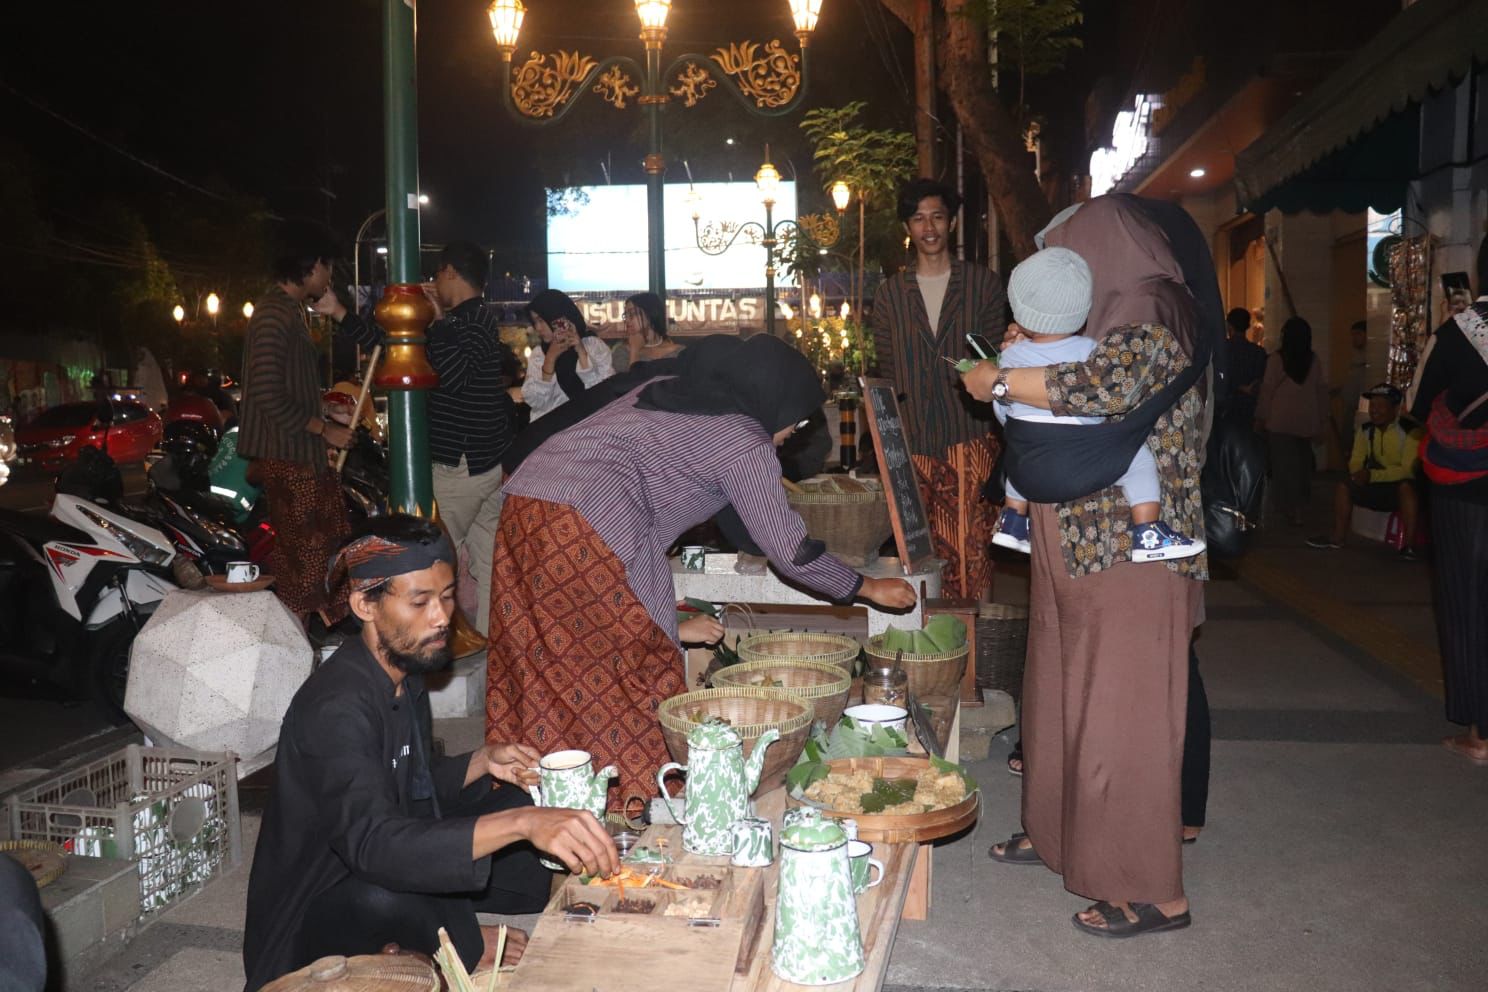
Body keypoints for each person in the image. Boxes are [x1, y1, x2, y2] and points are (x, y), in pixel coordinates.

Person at [487, 335, 917, 805]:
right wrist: (866, 587)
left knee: (547, 661)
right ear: (773, 396)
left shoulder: (673, 392)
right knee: (638, 674)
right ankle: (638, 803)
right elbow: (784, 546)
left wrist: (669, 622)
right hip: (587, 527)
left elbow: (724, 529)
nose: (801, 425)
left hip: (525, 508)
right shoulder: (742, 438)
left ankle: (538, 792)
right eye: (801, 413)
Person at [964, 195, 1213, 939]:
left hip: (1128, 548)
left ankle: (1150, 890)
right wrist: (1028, 344)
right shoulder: (1101, 315)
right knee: (1059, 693)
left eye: (1068, 248)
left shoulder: (1156, 304)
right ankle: (1061, 835)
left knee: (1123, 715)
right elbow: (1072, 372)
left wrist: (1002, 379)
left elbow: (1106, 388)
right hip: (1070, 535)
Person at [243, 515, 617, 992]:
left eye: (446, 596)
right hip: (312, 921)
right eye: (420, 601)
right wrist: (465, 932)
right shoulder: (335, 708)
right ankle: (450, 943)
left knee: (525, 805)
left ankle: (467, 923)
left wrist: (483, 761)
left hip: (381, 852)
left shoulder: (403, 671)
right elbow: (377, 848)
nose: (442, 617)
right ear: (365, 604)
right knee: (388, 889)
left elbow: (409, 788)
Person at [323, 240, 522, 634]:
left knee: (431, 557)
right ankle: (487, 650)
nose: (433, 286)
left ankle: (432, 641)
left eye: (436, 276)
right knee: (487, 564)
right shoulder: (468, 321)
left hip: (463, 464)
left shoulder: (472, 320)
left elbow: (447, 373)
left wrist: (431, 322)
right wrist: (341, 314)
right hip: (480, 462)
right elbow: (397, 349)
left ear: (450, 273)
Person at [990, 246, 1204, 562]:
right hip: (1077, 470)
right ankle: (1148, 531)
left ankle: (1012, 520)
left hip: (1026, 475)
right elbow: (1097, 403)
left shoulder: (1009, 358)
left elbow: (1003, 412)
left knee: (1021, 446)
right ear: (1084, 309)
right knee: (1140, 459)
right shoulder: (1091, 353)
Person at [871, 178, 1006, 599]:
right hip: (910, 444)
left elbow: (995, 360)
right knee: (918, 551)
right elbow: (888, 373)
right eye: (918, 219)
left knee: (970, 548)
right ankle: (927, 649)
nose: (928, 227)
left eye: (937, 217)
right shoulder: (890, 295)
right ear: (907, 228)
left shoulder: (983, 284)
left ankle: (971, 652)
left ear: (950, 223)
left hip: (968, 434)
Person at [238, 226, 353, 623]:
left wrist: (325, 411)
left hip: (298, 454)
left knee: (313, 561)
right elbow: (267, 394)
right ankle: (297, 653)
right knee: (305, 565)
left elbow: (285, 388)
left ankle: (303, 648)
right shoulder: (273, 314)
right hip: (288, 457)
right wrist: (324, 429)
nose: (329, 278)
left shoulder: (287, 311)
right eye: (329, 268)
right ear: (314, 265)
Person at [1408, 236, 1488, 765]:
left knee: (1468, 602)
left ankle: (1480, 732)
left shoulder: (1458, 331)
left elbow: (1415, 403)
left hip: (1469, 490)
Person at [1307, 383, 1422, 557]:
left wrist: (1371, 475)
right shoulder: (1365, 430)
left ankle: (1409, 546)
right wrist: (1358, 475)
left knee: (1407, 487)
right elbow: (1356, 461)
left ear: (1395, 409)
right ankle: (1337, 538)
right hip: (1377, 483)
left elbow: (1407, 471)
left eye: (1381, 406)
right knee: (1344, 485)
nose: (1375, 410)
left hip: (1400, 486)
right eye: (1372, 406)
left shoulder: (1411, 432)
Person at [1257, 316, 1329, 526]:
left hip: (1280, 421)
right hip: (1307, 421)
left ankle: (1286, 508)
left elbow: (1267, 391)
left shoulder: (1277, 360)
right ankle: (1300, 507)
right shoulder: (1313, 360)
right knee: (1302, 466)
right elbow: (1321, 391)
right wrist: (1323, 419)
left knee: (1282, 467)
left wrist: (1261, 417)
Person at [521, 289, 614, 420]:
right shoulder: (539, 354)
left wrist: (581, 352)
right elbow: (536, 402)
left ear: (557, 316)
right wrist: (550, 359)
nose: (538, 328)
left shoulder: (593, 345)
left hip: (592, 428)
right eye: (534, 322)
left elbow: (605, 393)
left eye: (541, 320)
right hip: (552, 432)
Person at [611, 291, 683, 373]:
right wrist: (634, 350)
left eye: (632, 314)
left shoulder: (679, 352)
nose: (627, 320)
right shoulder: (622, 352)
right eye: (625, 315)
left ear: (651, 313)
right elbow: (629, 383)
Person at [1224, 307, 1267, 425]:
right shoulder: (1258, 352)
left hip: (1226, 409)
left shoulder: (1223, 349)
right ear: (1247, 326)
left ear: (1229, 326)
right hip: (1250, 409)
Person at [1335, 319, 1370, 451]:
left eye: (1358, 334)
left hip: (1365, 407)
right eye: (1353, 334)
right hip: (1351, 406)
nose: (1355, 338)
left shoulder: (1370, 358)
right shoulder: (1356, 357)